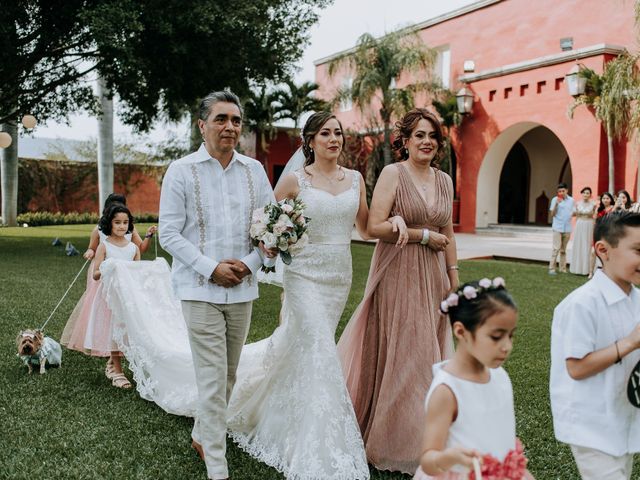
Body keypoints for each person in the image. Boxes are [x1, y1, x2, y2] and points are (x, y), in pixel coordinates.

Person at [227, 112, 376, 480]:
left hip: (338, 277)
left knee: (305, 350)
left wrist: (404, 225)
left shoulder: (356, 180)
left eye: (338, 133)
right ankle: (318, 445)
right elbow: (263, 224)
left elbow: (367, 227)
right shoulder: (295, 180)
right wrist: (272, 244)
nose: (333, 139)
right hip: (304, 276)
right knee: (321, 349)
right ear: (309, 140)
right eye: (325, 133)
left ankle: (273, 411)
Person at [159, 90, 275, 480]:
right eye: (221, 119)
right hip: (197, 289)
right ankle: (218, 465)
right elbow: (170, 234)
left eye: (236, 120)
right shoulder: (181, 170)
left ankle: (200, 433)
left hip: (242, 288)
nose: (230, 127)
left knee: (227, 374)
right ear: (202, 125)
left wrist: (249, 263)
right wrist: (211, 268)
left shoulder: (254, 171)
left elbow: (272, 229)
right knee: (211, 376)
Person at [337, 108, 458, 474]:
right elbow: (372, 227)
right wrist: (421, 235)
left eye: (432, 136)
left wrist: (454, 277)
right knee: (409, 353)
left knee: (430, 353)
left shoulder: (444, 180)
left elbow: (448, 233)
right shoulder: (394, 173)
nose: (426, 142)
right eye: (419, 135)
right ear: (405, 141)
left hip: (434, 275)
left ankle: (426, 436)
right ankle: (398, 443)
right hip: (399, 270)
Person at [550, 211, 640, 480]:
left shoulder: (637, 299)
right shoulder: (582, 304)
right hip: (591, 424)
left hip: (624, 417)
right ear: (603, 250)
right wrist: (630, 342)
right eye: (637, 250)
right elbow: (576, 368)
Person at [415, 279, 534, 480]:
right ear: (461, 331)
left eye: (511, 336)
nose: (507, 346)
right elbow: (428, 460)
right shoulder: (447, 391)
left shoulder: (500, 376)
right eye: (496, 337)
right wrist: (449, 457)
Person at [61, 193, 156, 371]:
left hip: (125, 277)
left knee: (123, 314)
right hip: (104, 272)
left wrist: (149, 236)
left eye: (124, 221)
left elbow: (140, 249)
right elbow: (93, 248)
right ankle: (108, 348)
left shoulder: (129, 231)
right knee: (102, 310)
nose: (121, 224)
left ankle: (116, 354)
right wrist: (90, 252)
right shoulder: (99, 230)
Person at [548, 183, 574, 275]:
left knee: (563, 250)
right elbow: (552, 214)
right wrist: (556, 204)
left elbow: (573, 212)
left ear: (567, 190)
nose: (561, 193)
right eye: (559, 191)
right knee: (556, 248)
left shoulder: (571, 200)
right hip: (557, 227)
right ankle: (551, 269)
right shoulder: (555, 199)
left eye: (563, 191)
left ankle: (563, 269)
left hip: (567, 228)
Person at [569, 186, 596, 275]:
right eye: (584, 193)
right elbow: (572, 214)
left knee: (587, 245)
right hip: (579, 224)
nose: (585, 194)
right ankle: (577, 269)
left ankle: (587, 270)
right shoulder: (577, 203)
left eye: (587, 193)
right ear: (582, 194)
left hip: (589, 224)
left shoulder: (594, 204)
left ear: (590, 195)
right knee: (579, 244)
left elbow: (595, 216)